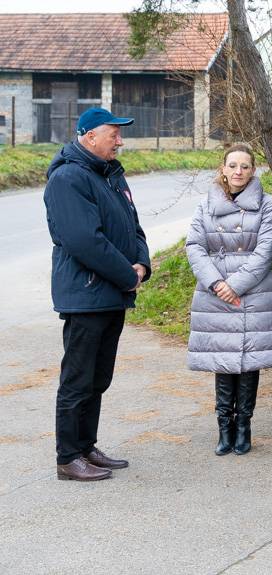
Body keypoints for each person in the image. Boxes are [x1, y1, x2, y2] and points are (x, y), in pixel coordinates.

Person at [44, 107, 151, 481]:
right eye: (113, 134)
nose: (120, 141)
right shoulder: (68, 178)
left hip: (111, 293)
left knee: (98, 377)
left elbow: (134, 227)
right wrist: (127, 276)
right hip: (86, 296)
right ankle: (67, 457)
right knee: (77, 379)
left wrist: (142, 264)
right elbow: (83, 241)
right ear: (89, 136)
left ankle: (86, 446)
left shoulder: (110, 176)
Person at [185, 143, 272, 456]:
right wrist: (217, 283)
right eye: (232, 166)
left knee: (247, 361)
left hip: (252, 292)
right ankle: (224, 427)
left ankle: (243, 425)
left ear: (253, 170)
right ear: (223, 168)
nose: (238, 172)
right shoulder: (206, 204)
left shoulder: (268, 205)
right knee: (223, 358)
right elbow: (194, 245)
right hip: (215, 291)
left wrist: (236, 284)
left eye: (245, 166)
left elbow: (266, 250)